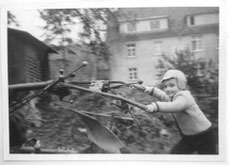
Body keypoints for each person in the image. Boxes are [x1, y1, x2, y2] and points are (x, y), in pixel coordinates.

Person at [143, 69, 217, 154]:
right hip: (189, 137)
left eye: (171, 85)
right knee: (175, 154)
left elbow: (174, 106)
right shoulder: (173, 97)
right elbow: (163, 96)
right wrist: (151, 90)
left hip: (205, 136)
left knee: (207, 160)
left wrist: (156, 106)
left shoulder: (184, 97)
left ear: (181, 85)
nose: (167, 89)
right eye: (165, 86)